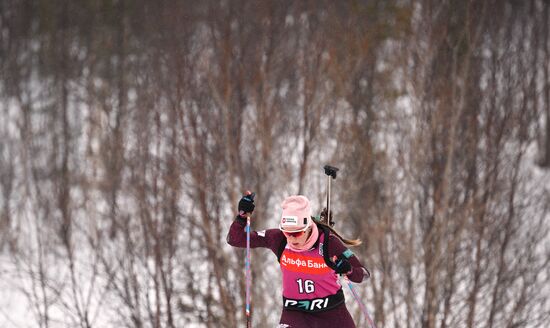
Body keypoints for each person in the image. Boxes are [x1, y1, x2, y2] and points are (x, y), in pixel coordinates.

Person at [227, 193, 370, 328]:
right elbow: (235, 239)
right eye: (287, 232)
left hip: (332, 313)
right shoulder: (278, 239)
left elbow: (364, 274)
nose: (291, 239)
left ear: (308, 227)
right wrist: (242, 217)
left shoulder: (328, 243)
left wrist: (348, 270)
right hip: (295, 313)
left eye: (297, 233)